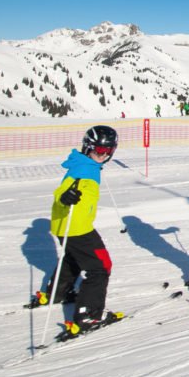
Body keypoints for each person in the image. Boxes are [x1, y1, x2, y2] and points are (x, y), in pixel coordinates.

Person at [29, 125, 122, 337]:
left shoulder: (85, 163)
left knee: (72, 258)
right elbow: (62, 192)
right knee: (101, 267)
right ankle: (88, 315)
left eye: (108, 151)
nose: (103, 155)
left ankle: (57, 293)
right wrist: (64, 199)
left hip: (65, 227)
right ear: (88, 146)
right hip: (78, 229)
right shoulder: (83, 169)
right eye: (99, 150)